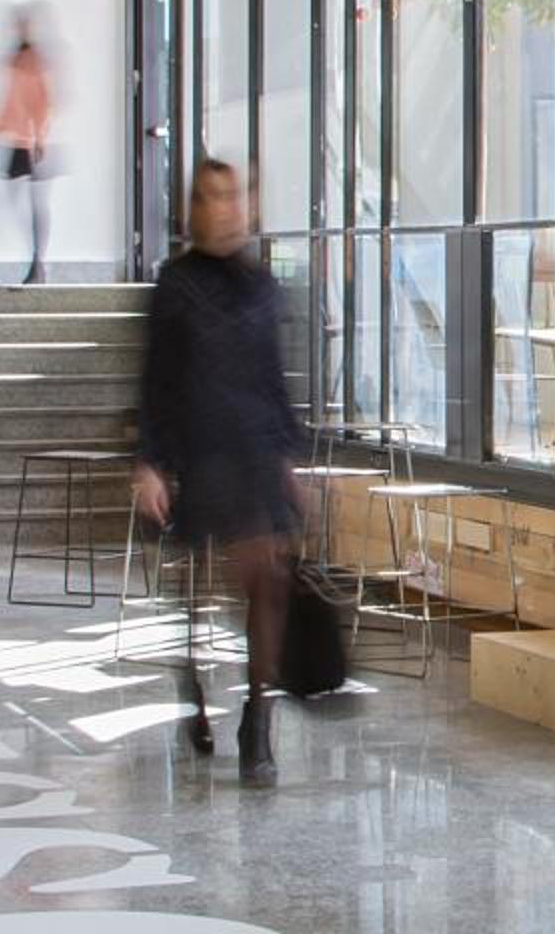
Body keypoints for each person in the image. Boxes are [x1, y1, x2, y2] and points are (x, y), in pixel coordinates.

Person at [132, 160, 304, 786]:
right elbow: (155, 381)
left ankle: (258, 719)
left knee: (266, 583)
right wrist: (151, 463)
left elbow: (274, 380)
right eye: (210, 197)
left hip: (254, 450)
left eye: (232, 196)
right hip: (199, 450)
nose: (224, 208)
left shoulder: (263, 286)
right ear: (194, 209)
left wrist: (289, 460)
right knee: (194, 595)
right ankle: (194, 687)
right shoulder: (174, 285)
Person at [0, 4, 56, 285]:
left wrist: (40, 137)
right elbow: (9, 105)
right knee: (18, 202)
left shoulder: (32, 62)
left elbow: (41, 104)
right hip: (16, 141)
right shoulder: (15, 61)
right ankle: (35, 263)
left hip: (29, 143)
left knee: (29, 204)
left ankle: (38, 263)